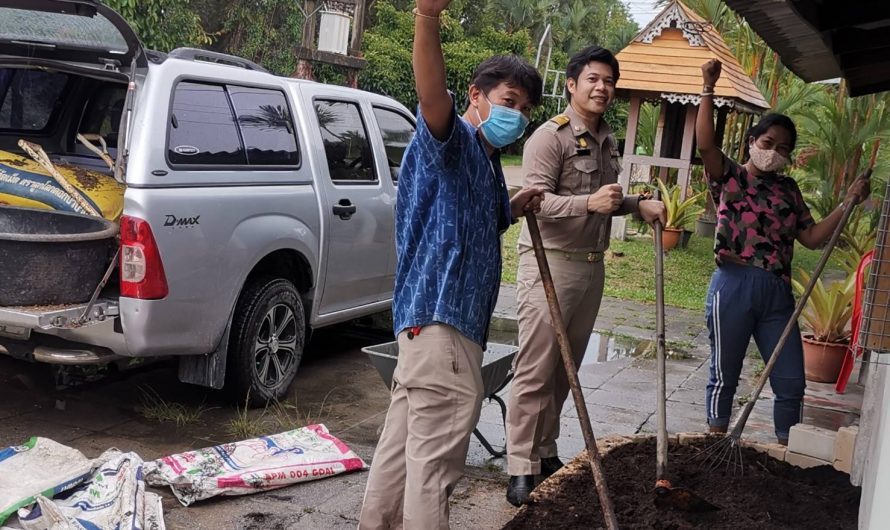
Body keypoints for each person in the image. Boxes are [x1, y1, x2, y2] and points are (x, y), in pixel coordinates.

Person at [357, 0, 545, 527]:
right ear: (476, 96)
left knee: (399, 458)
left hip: (423, 332)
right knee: (434, 469)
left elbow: (468, 228)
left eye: (526, 109)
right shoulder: (452, 140)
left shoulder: (483, 163)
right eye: (510, 101)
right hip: (445, 329)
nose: (519, 116)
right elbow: (429, 93)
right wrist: (427, 16)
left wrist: (511, 208)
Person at [504, 45, 666, 506]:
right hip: (549, 264)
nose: (602, 87)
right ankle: (519, 467)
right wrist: (586, 204)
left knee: (564, 371)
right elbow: (533, 200)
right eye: (593, 79)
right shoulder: (549, 137)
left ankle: (545, 452)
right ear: (572, 84)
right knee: (535, 369)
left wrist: (638, 204)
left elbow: (606, 198)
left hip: (591, 269)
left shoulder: (607, 140)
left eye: (609, 81)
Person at [696, 58, 870, 445]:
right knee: (725, 373)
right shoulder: (729, 176)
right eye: (767, 143)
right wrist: (708, 87)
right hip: (733, 285)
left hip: (777, 294)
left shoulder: (788, 190)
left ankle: (785, 449)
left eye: (783, 149)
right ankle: (714, 442)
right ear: (751, 143)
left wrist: (848, 203)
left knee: (791, 379)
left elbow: (811, 237)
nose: (774, 153)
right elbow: (705, 143)